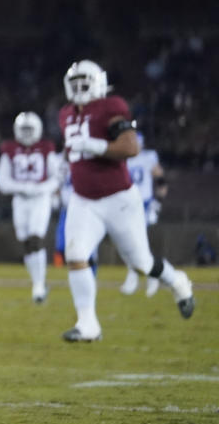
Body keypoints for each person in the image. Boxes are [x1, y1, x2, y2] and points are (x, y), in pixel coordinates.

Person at [58, 60, 194, 342]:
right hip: (83, 200)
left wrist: (96, 146)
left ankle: (178, 281)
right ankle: (88, 324)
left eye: (85, 82)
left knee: (142, 263)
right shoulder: (65, 114)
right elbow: (73, 151)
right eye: (75, 83)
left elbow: (131, 147)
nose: (79, 89)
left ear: (97, 83)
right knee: (75, 255)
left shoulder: (111, 106)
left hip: (118, 199)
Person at [0, 112, 59, 303]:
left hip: (40, 199)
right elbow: (1, 180)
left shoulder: (46, 148)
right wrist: (23, 188)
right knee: (25, 242)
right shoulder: (10, 150)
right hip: (20, 200)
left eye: (30, 129)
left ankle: (38, 286)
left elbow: (56, 178)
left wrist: (39, 188)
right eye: (24, 129)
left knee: (35, 238)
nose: (27, 133)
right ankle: (38, 282)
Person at [120, 132, 167, 296]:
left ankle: (149, 276)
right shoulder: (122, 158)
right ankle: (136, 275)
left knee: (139, 242)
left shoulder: (148, 157)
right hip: (126, 203)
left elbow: (161, 182)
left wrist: (157, 204)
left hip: (144, 204)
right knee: (128, 242)